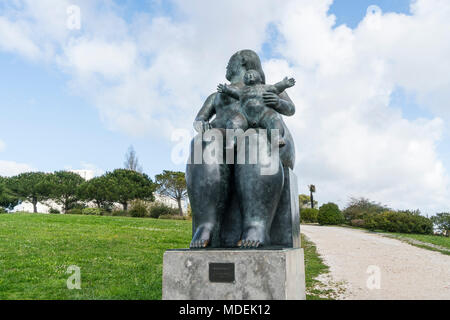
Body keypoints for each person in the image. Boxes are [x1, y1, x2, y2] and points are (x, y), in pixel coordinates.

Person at [187, 50, 296, 248]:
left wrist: (278, 102)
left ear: (244, 62)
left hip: (267, 137)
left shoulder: (269, 88)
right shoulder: (217, 95)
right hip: (226, 139)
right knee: (203, 142)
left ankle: (256, 225)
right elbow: (200, 119)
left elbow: (289, 109)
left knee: (254, 139)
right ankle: (207, 226)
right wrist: (201, 125)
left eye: (229, 64)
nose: (227, 69)